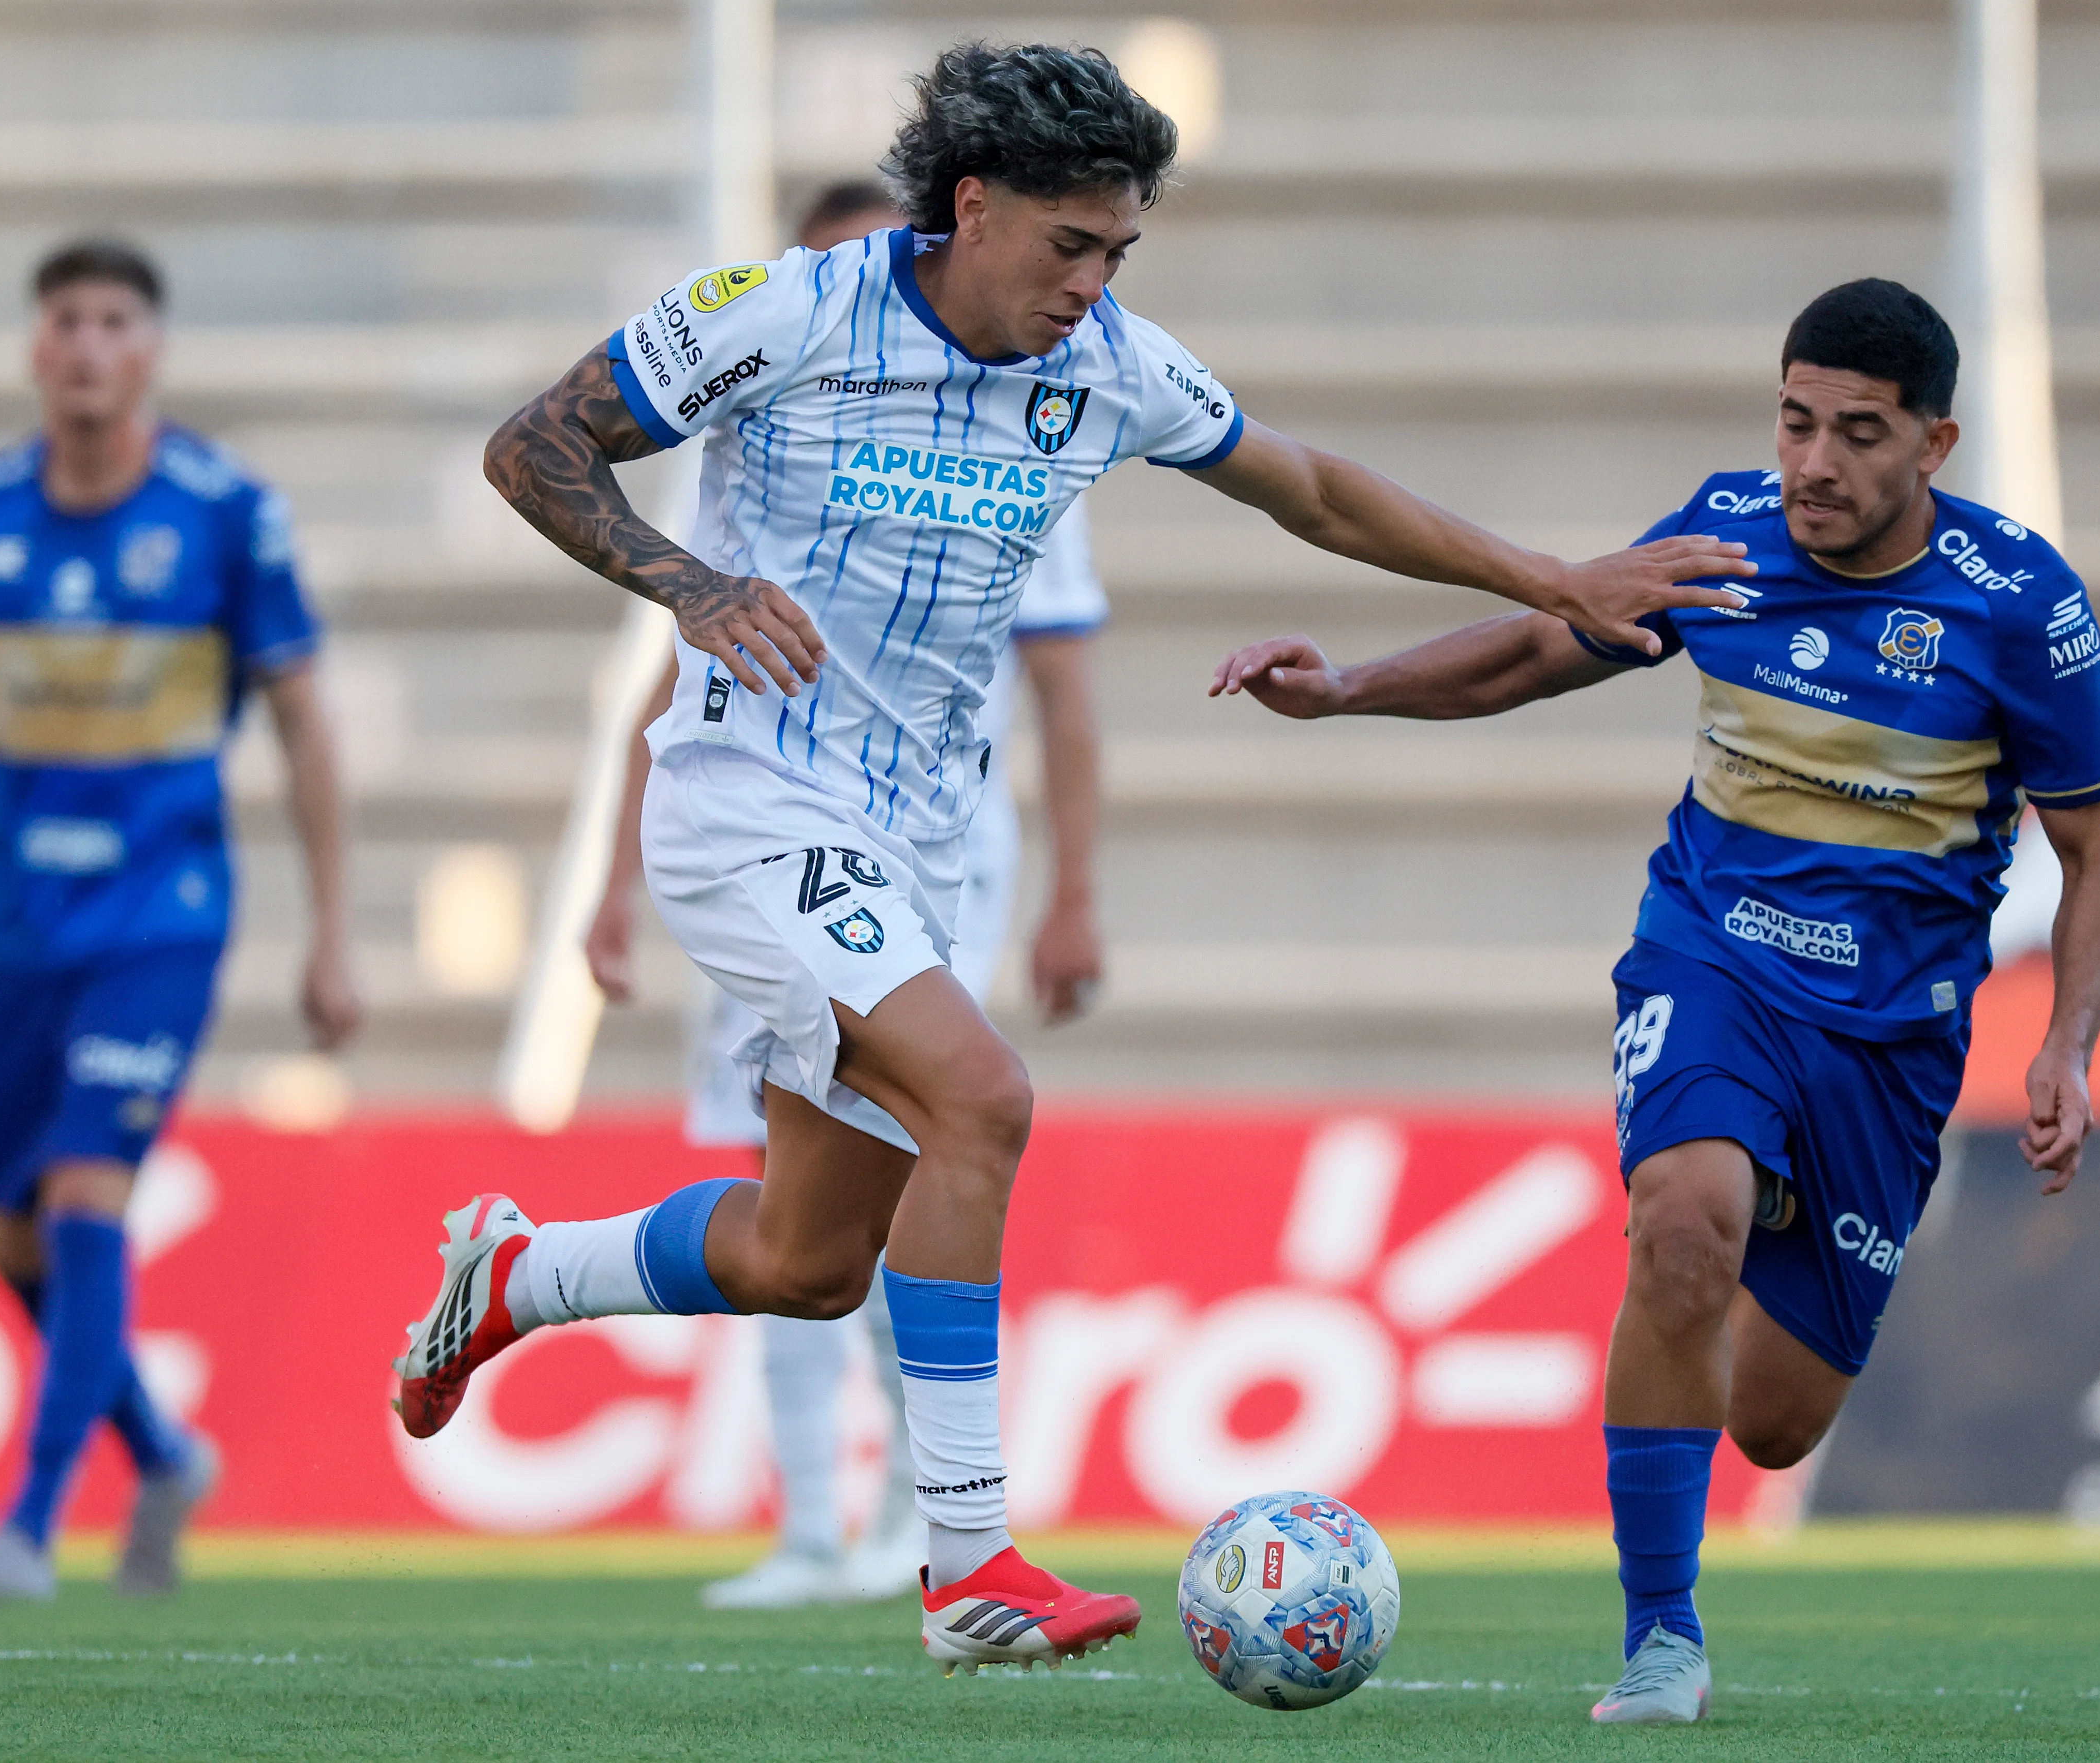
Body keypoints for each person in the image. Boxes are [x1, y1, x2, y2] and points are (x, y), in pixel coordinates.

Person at [392, 41, 1744, 1675]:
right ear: (972, 207)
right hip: (748, 798)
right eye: (1068, 247)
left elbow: (1307, 488)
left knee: (808, 1261)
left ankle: (517, 1274)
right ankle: (969, 1564)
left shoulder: (1105, 366)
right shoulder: (784, 310)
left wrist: (1553, 574)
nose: (1093, 288)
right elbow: (533, 447)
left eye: (1119, 256)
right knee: (987, 1098)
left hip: (915, 840)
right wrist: (690, 585)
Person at [1209, 280, 2100, 1724]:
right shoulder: (1725, 535)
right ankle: (1662, 1636)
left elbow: (2098, 852)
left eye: (1857, 433)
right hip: (1711, 955)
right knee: (1683, 1219)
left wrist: (2067, 1043)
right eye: (1794, 420)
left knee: (1771, 1423)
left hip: (1890, 1037)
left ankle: (1774, 1191)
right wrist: (1347, 692)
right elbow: (1537, 646)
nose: (1812, 462)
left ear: (1936, 446)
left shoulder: (2021, 608)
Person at [580, 178, 1111, 1611]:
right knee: (843, 1184)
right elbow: (676, 663)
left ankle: (902, 1521)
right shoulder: (771, 419)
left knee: (851, 1216)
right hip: (760, 821)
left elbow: (1065, 688)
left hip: (928, 847)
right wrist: (614, 882)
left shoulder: (1028, 426)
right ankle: (850, 1531)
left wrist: (1076, 891)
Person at [0, 239, 360, 1600]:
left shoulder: (224, 511)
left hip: (161, 912)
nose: (89, 345)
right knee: (12, 1238)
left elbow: (301, 720)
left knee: (83, 1195)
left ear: (151, 348)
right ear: (35, 347)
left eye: (115, 320)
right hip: (16, 918)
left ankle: (32, 1525)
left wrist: (333, 929)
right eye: (67, 320)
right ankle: (165, 1454)